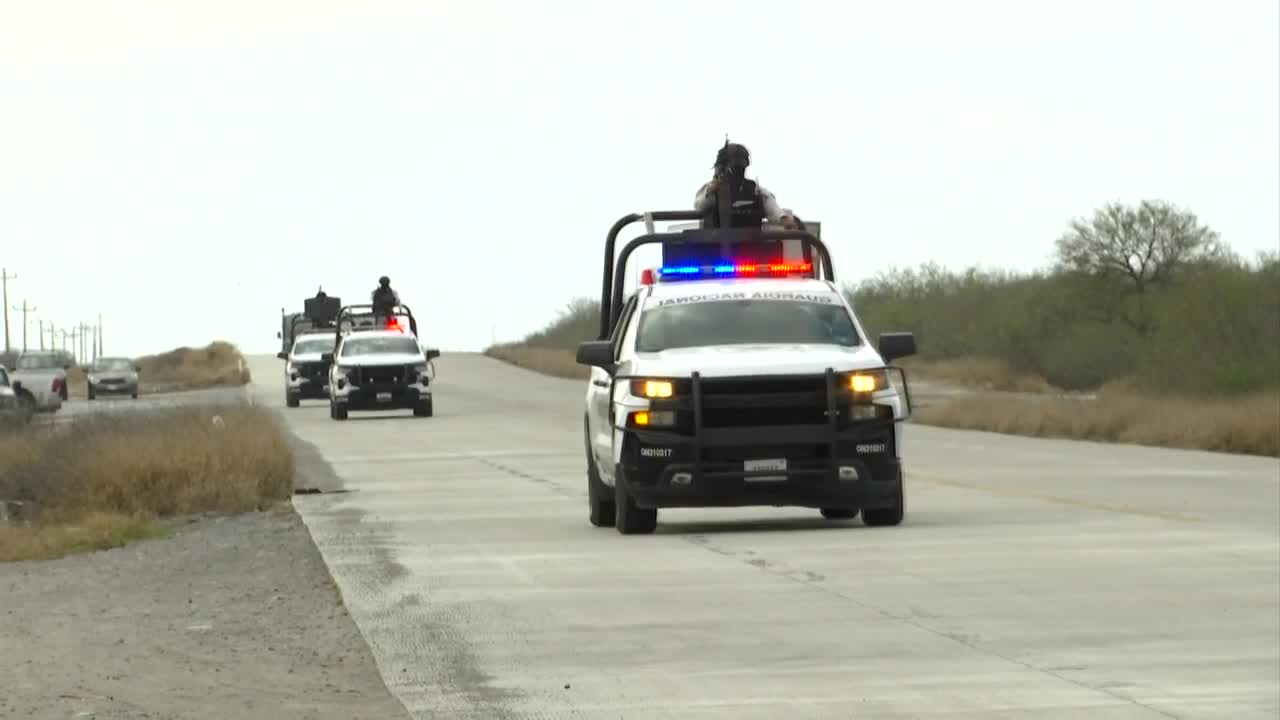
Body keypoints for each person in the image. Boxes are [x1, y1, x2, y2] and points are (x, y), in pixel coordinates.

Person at [694, 142, 800, 230]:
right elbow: (699, 205)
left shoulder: (755, 190)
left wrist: (783, 219)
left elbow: (771, 206)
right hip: (715, 245)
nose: (737, 172)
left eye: (740, 168)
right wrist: (710, 191)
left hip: (750, 245)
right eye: (733, 167)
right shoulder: (710, 189)